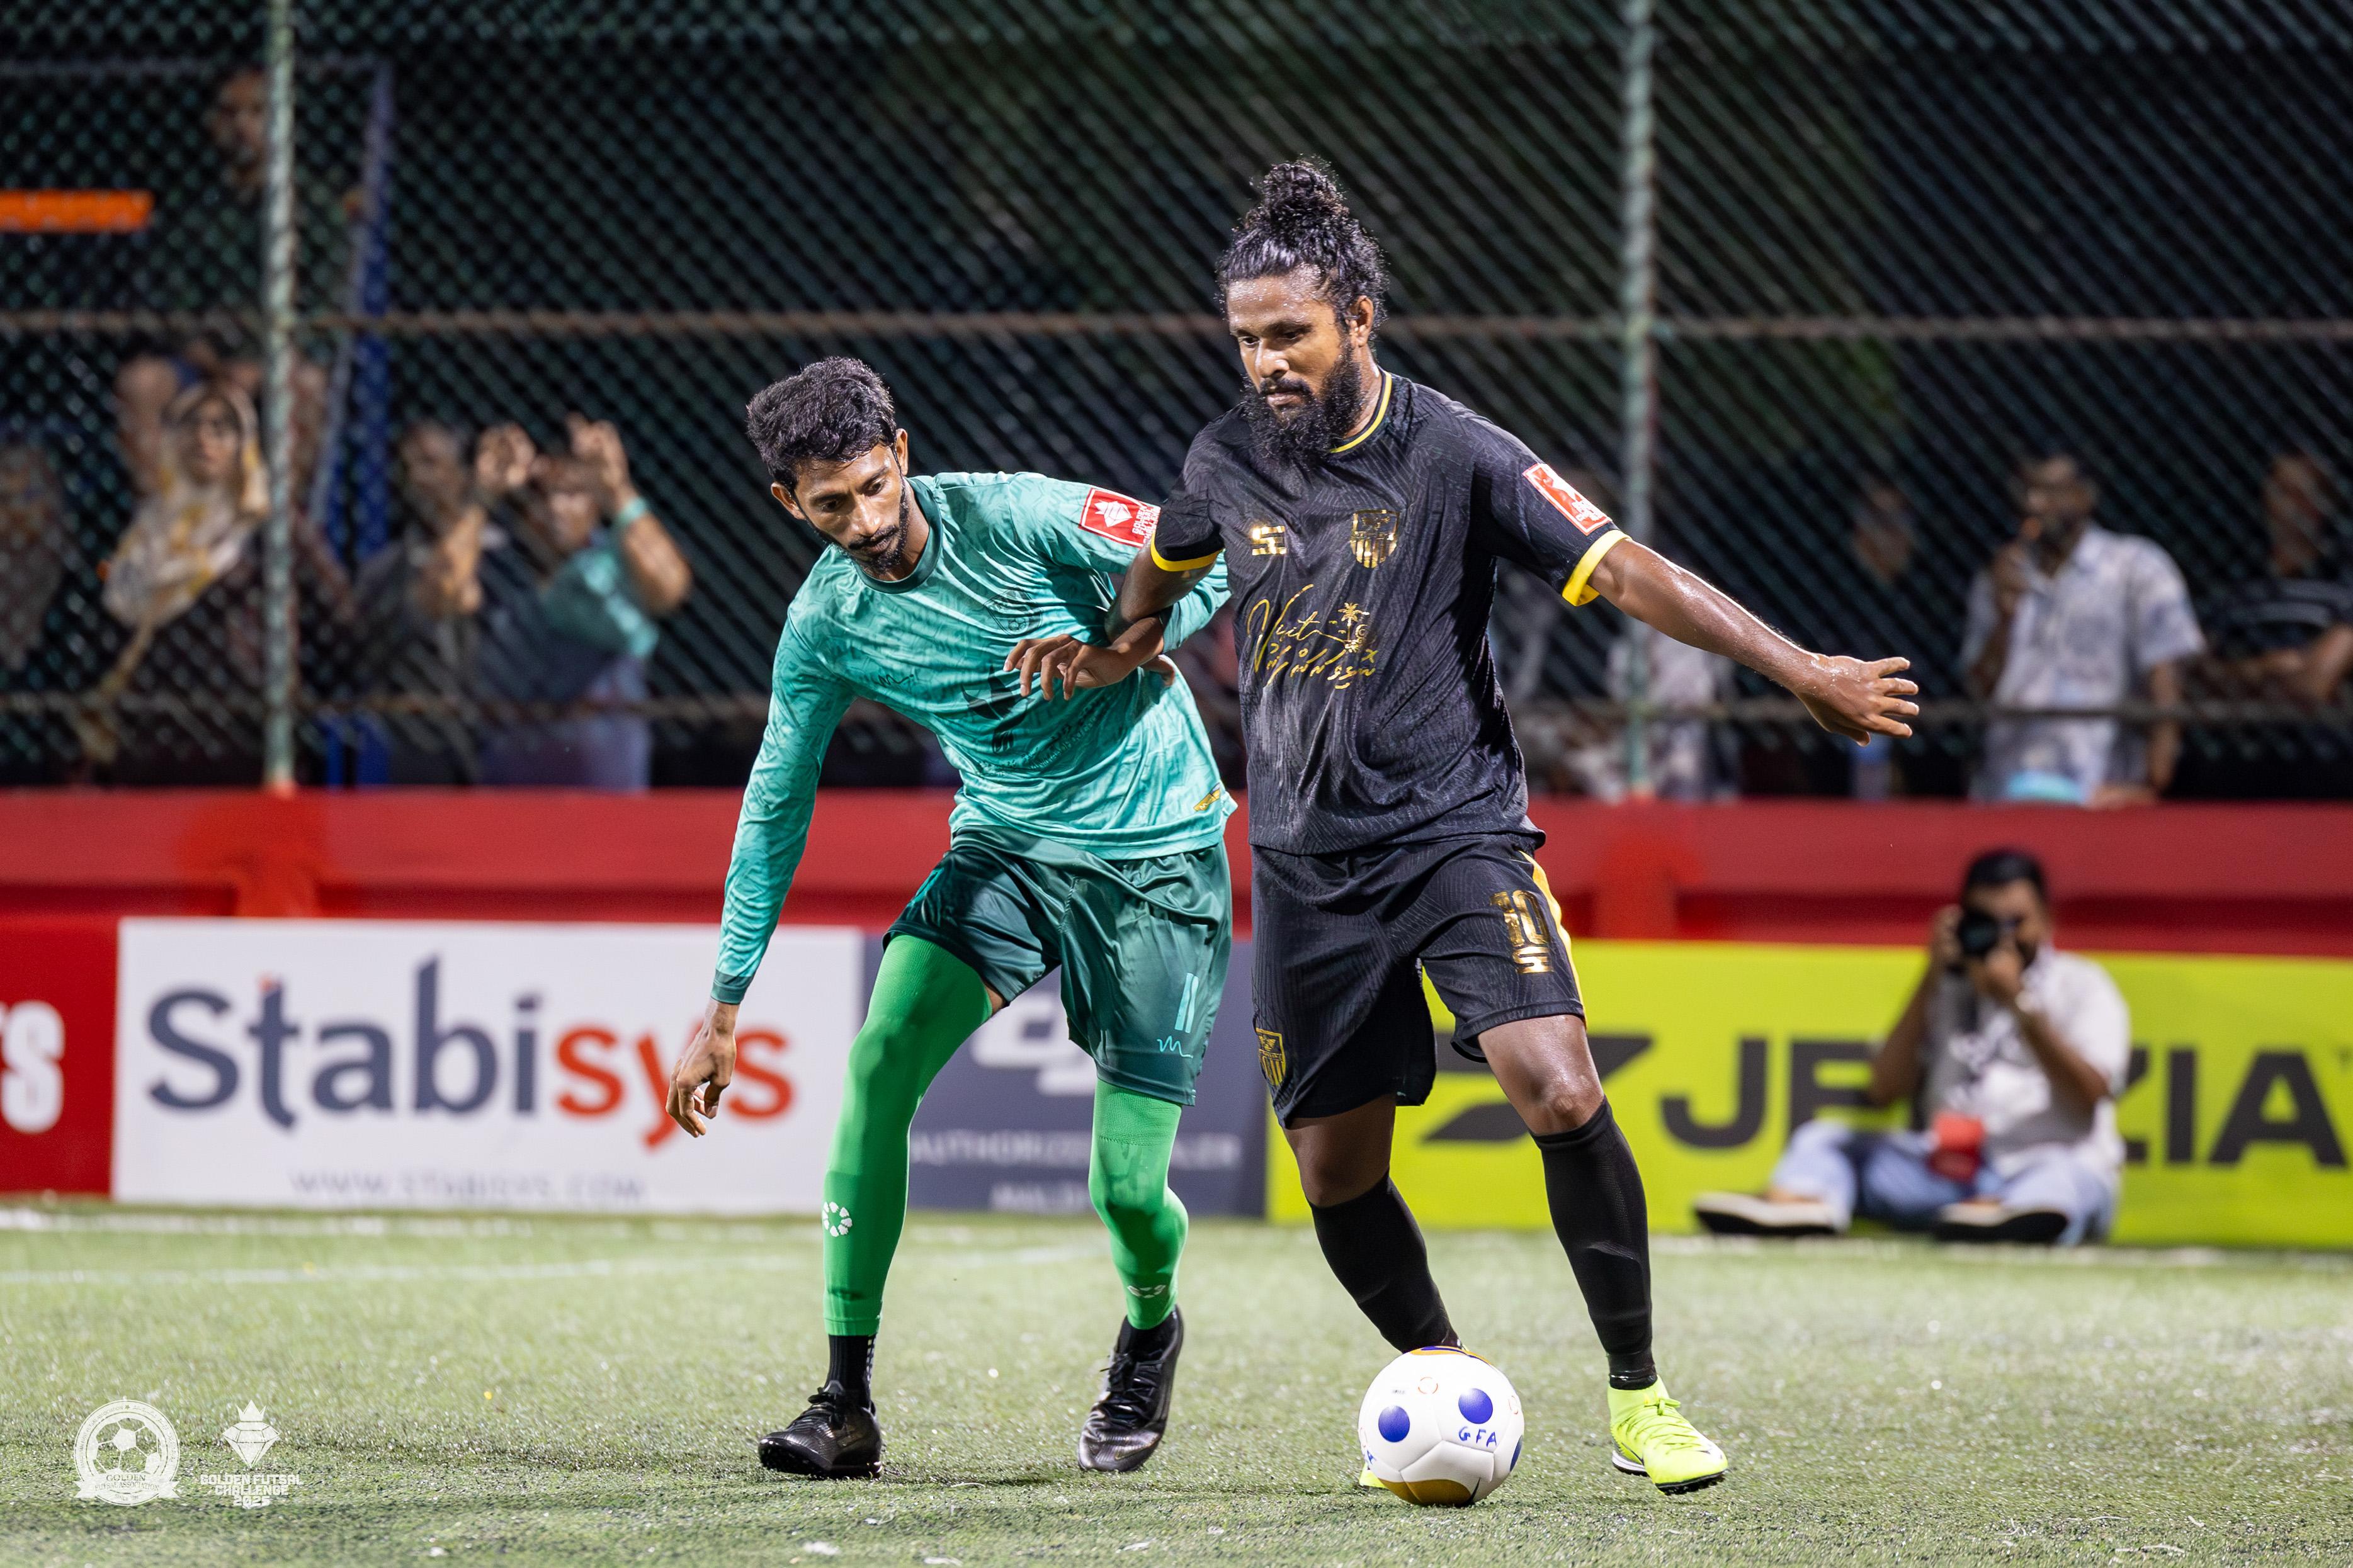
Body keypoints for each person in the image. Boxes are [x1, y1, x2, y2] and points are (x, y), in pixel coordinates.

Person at [1045, 161, 1917, 1497]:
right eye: (1244, 338)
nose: (1265, 360)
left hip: (1452, 836)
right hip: (1302, 869)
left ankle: (1639, 1400)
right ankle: (1447, 1376)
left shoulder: (1453, 453)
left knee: (1557, 1087)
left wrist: (1795, 667)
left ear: (1358, 316)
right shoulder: (1223, 456)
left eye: (1288, 333)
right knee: (1335, 1178)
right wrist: (1125, 642)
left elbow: (1621, 565)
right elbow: (1168, 551)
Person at [662, 358, 1235, 1480]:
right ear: (790, 503)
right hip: (1005, 848)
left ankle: (1152, 1324)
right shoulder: (824, 624)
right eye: (832, 506)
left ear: (904, 454)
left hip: (1155, 853)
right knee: (877, 1065)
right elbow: (776, 803)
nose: (867, 522)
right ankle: (844, 1399)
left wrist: (1122, 645)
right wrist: (724, 1004)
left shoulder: (1017, 514)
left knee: (1123, 1189)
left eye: (877, 486)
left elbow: (1203, 553)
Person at [1692, 849, 2130, 1246]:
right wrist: (1931, 975)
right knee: (1824, 1137)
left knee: (2065, 1180)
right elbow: (1885, 1088)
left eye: (2016, 922)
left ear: (2047, 919)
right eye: (1985, 922)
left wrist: (2017, 1003)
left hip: (2042, 1160)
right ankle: (1802, 1203)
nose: (2003, 938)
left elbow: (2089, 1094)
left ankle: (2015, 1216)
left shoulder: (2083, 985)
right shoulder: (1946, 988)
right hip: (1946, 1174)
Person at [85, 379, 351, 783]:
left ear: (243, 443)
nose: (204, 438)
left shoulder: (273, 530)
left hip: (248, 742)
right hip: (153, 745)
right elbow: (106, 622)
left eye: (221, 428)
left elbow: (340, 622)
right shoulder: (145, 532)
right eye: (191, 426)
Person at [1964, 451, 2204, 805]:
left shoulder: (2135, 568)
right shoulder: (2001, 575)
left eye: (2052, 491)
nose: (2036, 504)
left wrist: (2154, 785)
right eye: (2028, 490)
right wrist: (2004, 619)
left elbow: (2167, 685)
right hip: (2007, 786)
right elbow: (1978, 690)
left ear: (2086, 496)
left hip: (2097, 788)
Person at [469, 417, 693, 788]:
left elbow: (670, 589)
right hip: (508, 797)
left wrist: (617, 490)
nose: (556, 508)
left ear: (593, 504)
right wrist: (481, 494)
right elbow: (442, 593)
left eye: (572, 492)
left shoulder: (623, 556)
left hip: (609, 796)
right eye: (540, 495)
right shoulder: (493, 563)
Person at [2191, 450, 2353, 797]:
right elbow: (2196, 677)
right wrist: (2266, 669)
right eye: (2282, 492)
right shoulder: (2237, 586)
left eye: (2305, 493)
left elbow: (2314, 686)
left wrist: (2237, 680)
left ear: (2325, 505)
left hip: (2322, 762)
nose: (2293, 506)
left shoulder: (2342, 585)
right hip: (2235, 758)